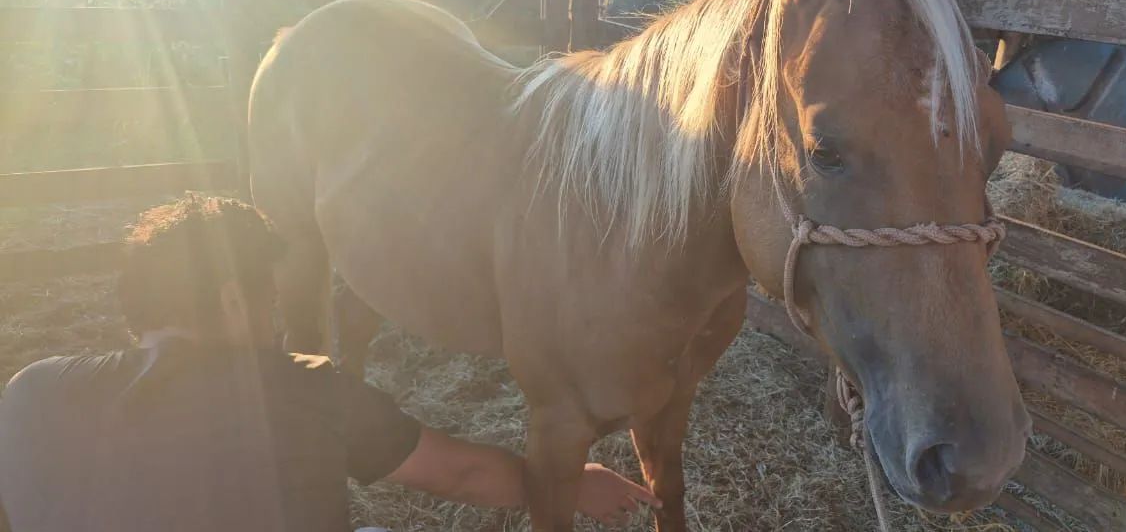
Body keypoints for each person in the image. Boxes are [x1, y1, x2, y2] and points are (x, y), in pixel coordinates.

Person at [0, 194, 657, 531]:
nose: (282, 318)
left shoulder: (28, 394)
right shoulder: (303, 390)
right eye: (272, 299)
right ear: (235, 298)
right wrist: (571, 481)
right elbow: (461, 471)